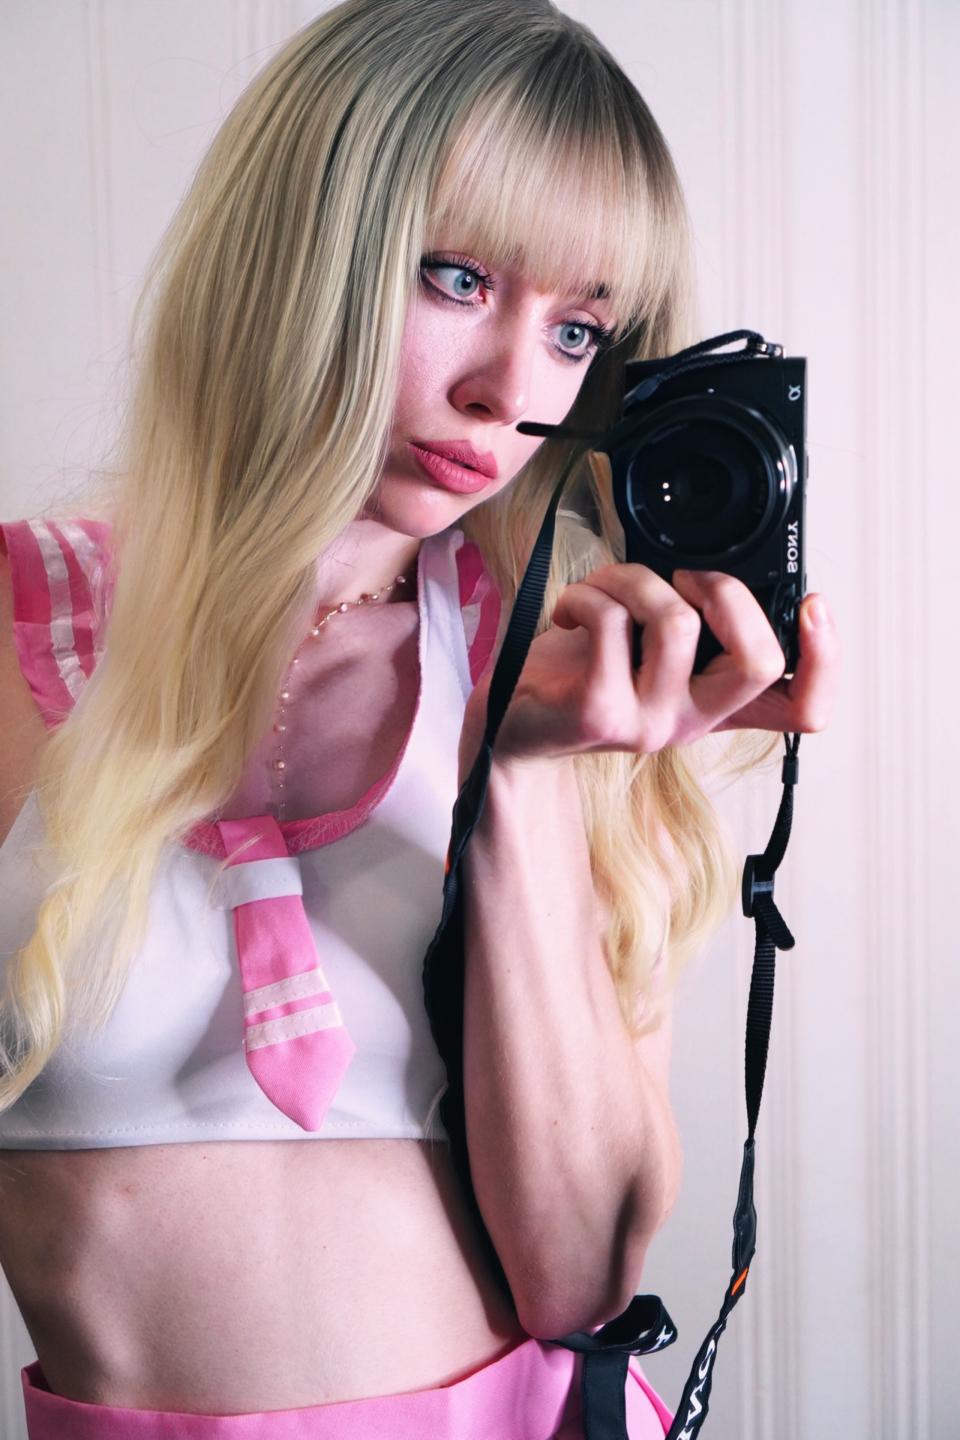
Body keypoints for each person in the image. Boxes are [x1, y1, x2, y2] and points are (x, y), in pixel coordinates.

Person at [0, 2, 840, 1436]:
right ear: (297, 244)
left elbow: (578, 1275)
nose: (510, 389)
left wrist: (521, 786)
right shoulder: (25, 620)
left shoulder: (570, 667)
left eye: (577, 329)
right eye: (457, 278)